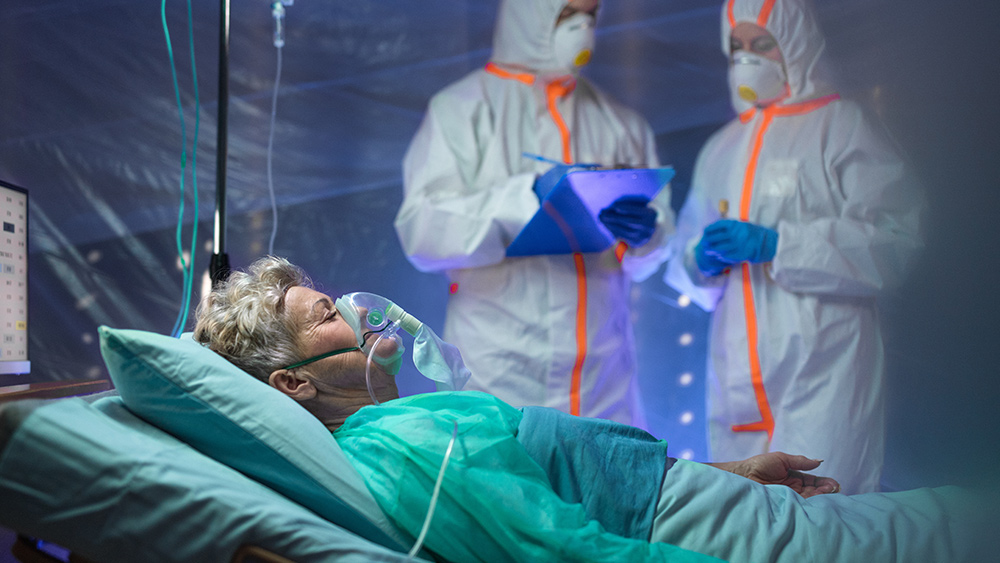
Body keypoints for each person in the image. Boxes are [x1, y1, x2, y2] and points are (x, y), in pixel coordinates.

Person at [193, 257, 993, 563]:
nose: (361, 314)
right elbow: (565, 548)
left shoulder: (407, 425)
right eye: (329, 315)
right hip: (702, 536)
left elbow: (573, 486)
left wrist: (733, 472)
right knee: (953, 527)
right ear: (293, 383)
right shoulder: (402, 445)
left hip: (711, 506)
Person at [664, 0, 924, 494]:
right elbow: (684, 261)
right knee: (744, 514)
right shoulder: (722, 147)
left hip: (824, 367)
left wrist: (781, 245)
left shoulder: (841, 127)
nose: (747, 58)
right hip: (736, 373)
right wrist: (700, 260)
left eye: (762, 43)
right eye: (737, 46)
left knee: (826, 509)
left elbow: (897, 241)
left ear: (796, 45)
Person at [395, 0, 673, 426]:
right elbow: (422, 232)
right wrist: (525, 198)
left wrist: (647, 237)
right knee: (502, 467)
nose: (583, 27)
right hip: (500, 370)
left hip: (603, 376)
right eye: (567, 12)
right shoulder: (461, 110)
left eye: (591, 14)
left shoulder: (620, 123)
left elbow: (651, 252)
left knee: (610, 468)